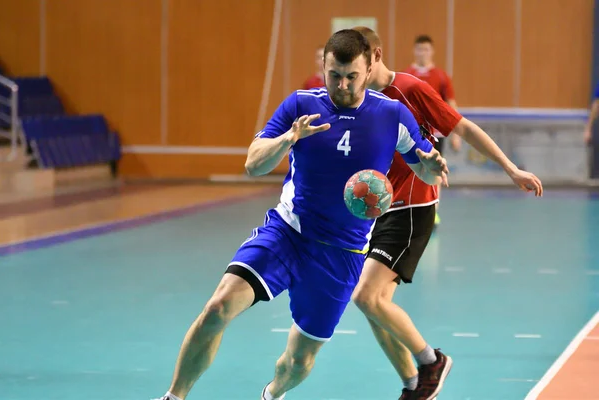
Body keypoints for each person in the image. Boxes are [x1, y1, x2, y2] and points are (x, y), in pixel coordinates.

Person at [152, 29, 449, 400]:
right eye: (334, 75)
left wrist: (431, 166)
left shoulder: (391, 115)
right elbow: (253, 165)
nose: (342, 85)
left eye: (351, 76)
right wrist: (288, 139)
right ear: (323, 67)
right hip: (288, 233)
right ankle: (174, 396)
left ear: (370, 66)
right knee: (218, 306)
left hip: (342, 254)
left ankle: (273, 394)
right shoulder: (299, 105)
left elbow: (422, 166)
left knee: (297, 362)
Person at [351, 26, 544, 400]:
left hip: (412, 206)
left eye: (357, 68)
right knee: (375, 308)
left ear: (375, 56)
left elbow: (463, 126)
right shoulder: (358, 98)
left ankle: (431, 362)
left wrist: (510, 168)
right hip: (380, 209)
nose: (349, 80)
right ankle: (414, 386)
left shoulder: (410, 90)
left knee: (366, 297)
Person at [403, 35, 461, 225]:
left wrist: (455, 134)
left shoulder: (441, 77)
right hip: (410, 133)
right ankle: (407, 208)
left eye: (426, 49)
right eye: (419, 49)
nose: (423, 53)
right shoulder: (407, 74)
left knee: (435, 169)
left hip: (434, 134)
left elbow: (450, 105)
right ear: (414, 50)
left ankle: (433, 211)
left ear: (432, 51)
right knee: (410, 169)